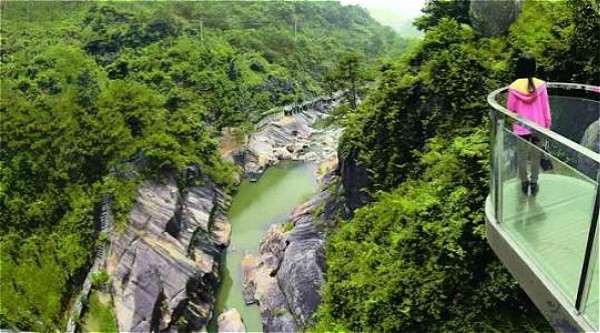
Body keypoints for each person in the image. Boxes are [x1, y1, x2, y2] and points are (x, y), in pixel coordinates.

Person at [507, 54, 552, 196]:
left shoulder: (514, 86)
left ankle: (524, 183)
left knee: (521, 156)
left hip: (522, 128)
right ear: (534, 67)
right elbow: (546, 108)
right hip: (538, 128)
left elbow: (510, 109)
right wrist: (547, 126)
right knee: (535, 156)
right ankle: (534, 183)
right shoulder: (541, 85)